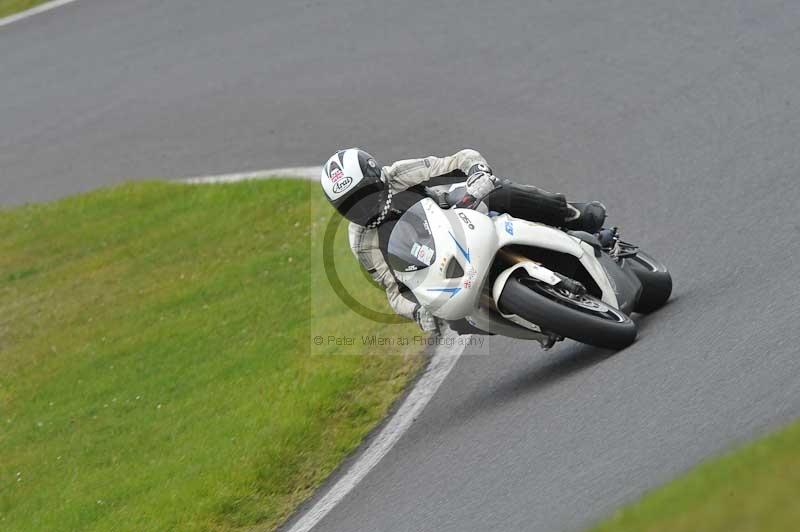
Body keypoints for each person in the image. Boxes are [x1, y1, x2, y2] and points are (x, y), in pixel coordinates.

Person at [320, 148, 608, 332]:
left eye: (366, 194)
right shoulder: (362, 242)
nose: (363, 207)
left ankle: (572, 215)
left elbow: (460, 159)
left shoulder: (400, 175)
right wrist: (417, 313)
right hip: (435, 265)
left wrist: (477, 173)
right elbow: (395, 292)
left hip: (455, 213)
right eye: (351, 205)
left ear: (378, 178)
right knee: (452, 320)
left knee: (498, 193)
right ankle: (536, 324)